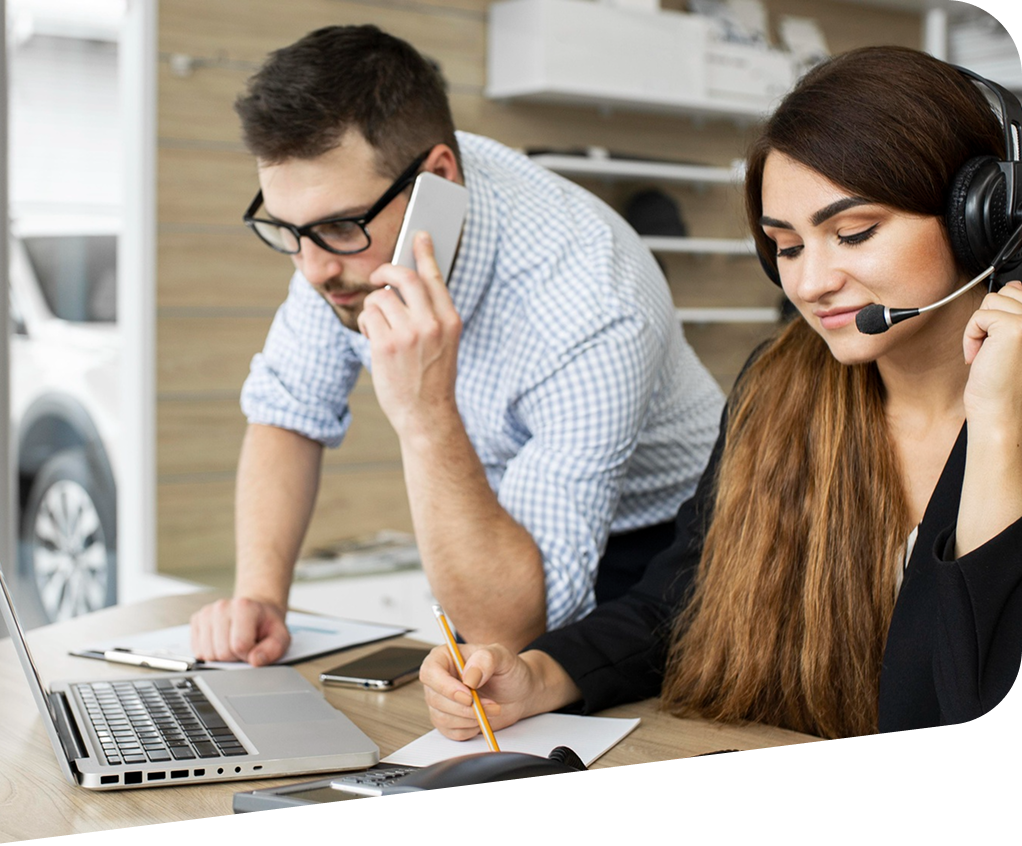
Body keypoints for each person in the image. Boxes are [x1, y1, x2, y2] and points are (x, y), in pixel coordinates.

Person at [421, 45, 1022, 740]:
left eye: (853, 234)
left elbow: (973, 690)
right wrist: (540, 675)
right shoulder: (781, 389)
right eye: (787, 246)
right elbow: (678, 601)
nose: (810, 283)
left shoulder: (1006, 423)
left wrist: (997, 428)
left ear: (983, 215)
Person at [188, 25, 724, 664]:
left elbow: (511, 630)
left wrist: (424, 413)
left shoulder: (592, 299)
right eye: (289, 231)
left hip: (671, 539)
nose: (312, 270)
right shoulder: (340, 248)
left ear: (437, 180)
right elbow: (288, 411)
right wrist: (260, 597)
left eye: (338, 227)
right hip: (503, 522)